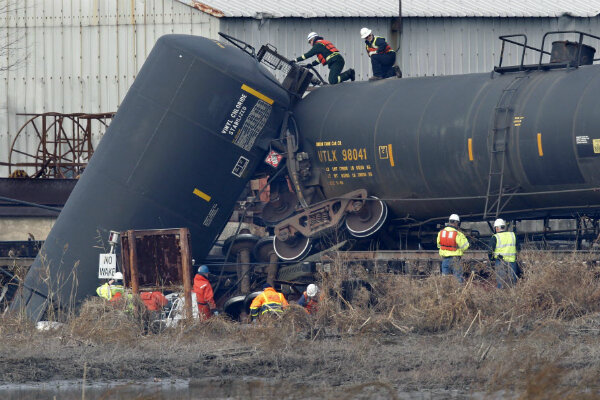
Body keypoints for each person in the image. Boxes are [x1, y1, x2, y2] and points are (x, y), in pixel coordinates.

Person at [437, 214, 470, 282]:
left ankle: (446, 292)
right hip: (455, 260)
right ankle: (458, 292)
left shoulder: (441, 233)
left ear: (449, 221)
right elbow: (465, 246)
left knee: (445, 280)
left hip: (445, 260)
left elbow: (438, 245)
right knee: (458, 279)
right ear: (456, 222)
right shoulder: (458, 234)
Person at [488, 218, 519, 288]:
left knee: (501, 282)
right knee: (513, 282)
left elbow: (490, 250)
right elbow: (518, 248)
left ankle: (501, 297)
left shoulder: (495, 237)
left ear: (497, 228)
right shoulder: (512, 235)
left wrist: (492, 259)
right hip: (512, 261)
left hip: (500, 261)